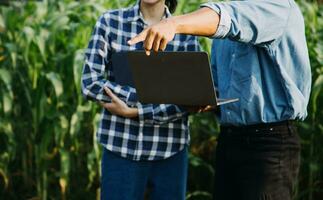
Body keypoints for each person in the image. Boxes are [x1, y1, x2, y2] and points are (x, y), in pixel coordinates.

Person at [128, 0, 312, 199]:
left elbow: (229, 17)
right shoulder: (224, 34)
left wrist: (172, 23)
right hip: (229, 141)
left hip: (269, 145)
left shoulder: (277, 6)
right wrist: (199, 98)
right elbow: (218, 87)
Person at [81, 0, 200, 199]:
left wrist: (137, 111)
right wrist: (151, 97)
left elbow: (191, 98)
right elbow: (90, 81)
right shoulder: (110, 22)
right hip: (120, 147)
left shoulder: (185, 34)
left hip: (169, 151)